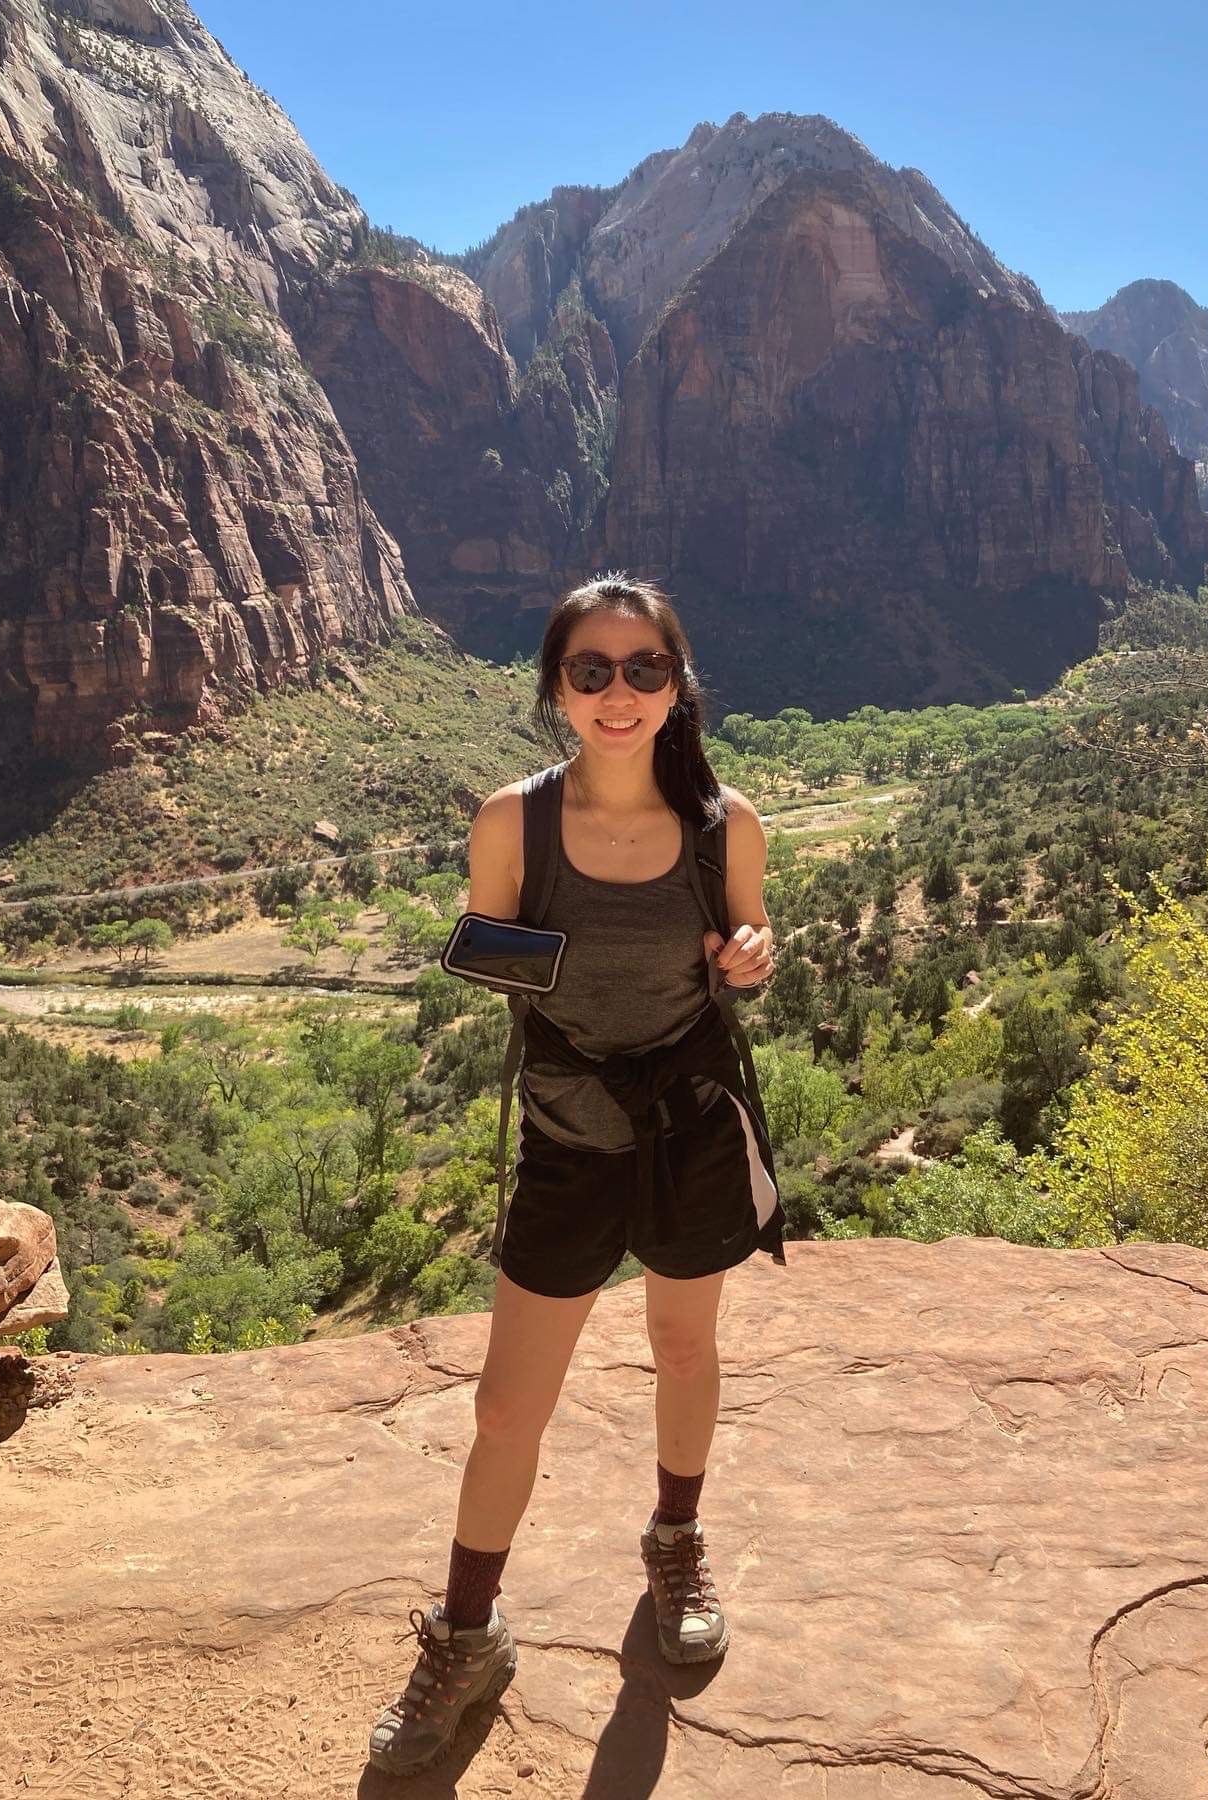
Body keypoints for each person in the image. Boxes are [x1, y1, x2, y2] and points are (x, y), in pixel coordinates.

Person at [367, 572, 786, 1776]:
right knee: (508, 1405)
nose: (618, 692)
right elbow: (485, 949)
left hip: (693, 1120)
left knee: (689, 1349)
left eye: (643, 669)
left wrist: (749, 959)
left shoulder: (725, 824)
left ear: (675, 684)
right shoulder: (515, 819)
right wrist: (531, 957)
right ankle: (468, 1627)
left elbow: (746, 954)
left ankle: (676, 1539)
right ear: (558, 689)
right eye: (591, 671)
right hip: (568, 1128)